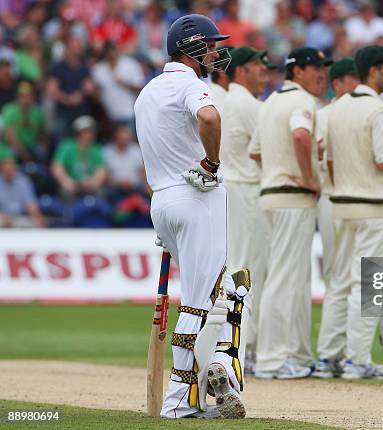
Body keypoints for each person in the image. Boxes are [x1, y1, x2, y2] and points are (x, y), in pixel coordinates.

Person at [135, 14, 248, 419]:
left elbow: (152, 152)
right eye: (212, 45)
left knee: (224, 295)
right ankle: (180, 401)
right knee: (202, 302)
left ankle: (215, 370)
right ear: (194, 48)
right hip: (197, 195)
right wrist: (211, 163)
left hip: (163, 200)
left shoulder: (147, 92)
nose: (217, 52)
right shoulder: (190, 84)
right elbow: (210, 118)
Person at [316, 46, 383, 379]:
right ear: (373, 72)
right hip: (374, 208)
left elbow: (331, 162)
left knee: (340, 283)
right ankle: (358, 361)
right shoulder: (379, 110)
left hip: (342, 206)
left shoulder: (337, 109)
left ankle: (328, 359)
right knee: (368, 286)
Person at [249, 46, 332, 379]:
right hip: (292, 198)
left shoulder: (271, 102)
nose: (322, 74)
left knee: (292, 278)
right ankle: (272, 358)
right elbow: (300, 134)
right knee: (284, 278)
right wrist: (309, 178)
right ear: (297, 71)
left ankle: (292, 354)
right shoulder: (302, 102)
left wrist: (280, 168)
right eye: (316, 68)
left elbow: (255, 152)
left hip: (273, 194)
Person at [220, 46, 271, 373]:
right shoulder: (248, 104)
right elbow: (271, 151)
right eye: (257, 66)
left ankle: (231, 349)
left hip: (229, 191)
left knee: (235, 270)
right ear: (240, 71)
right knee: (248, 273)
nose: (264, 72)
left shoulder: (225, 101)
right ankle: (244, 352)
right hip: (247, 192)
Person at [311, 57, 359, 378]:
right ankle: (331, 354)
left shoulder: (330, 114)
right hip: (336, 196)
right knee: (340, 276)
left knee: (345, 276)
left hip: (341, 197)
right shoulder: (327, 115)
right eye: (352, 80)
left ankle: (337, 353)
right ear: (338, 83)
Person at [51, 115, 107, 198]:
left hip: (90, 185)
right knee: (66, 193)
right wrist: (67, 182)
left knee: (102, 193)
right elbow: (57, 167)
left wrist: (92, 182)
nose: (90, 134)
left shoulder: (96, 149)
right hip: (71, 184)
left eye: (91, 131)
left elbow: (101, 171)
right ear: (79, 132)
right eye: (86, 131)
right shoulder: (67, 146)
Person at [0, 150, 45, 228]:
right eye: (6, 166)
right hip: (2, 218)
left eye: (11, 165)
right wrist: (3, 217)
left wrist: (38, 217)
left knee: (35, 223)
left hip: (19, 218)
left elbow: (31, 204)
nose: (9, 169)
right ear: (1, 168)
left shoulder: (24, 182)